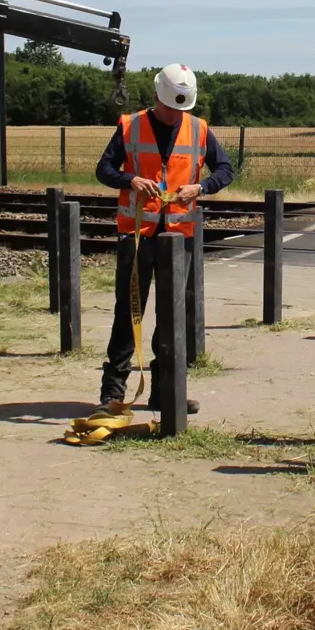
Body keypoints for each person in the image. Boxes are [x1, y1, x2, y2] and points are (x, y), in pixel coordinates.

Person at [91, 63, 234, 418]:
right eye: (171, 107)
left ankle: (166, 392)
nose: (176, 116)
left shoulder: (199, 129)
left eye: (181, 109)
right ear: (157, 96)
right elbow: (103, 169)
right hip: (137, 235)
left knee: (171, 318)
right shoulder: (131, 125)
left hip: (177, 237)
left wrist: (199, 187)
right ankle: (112, 394)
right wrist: (130, 180)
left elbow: (225, 170)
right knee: (129, 313)